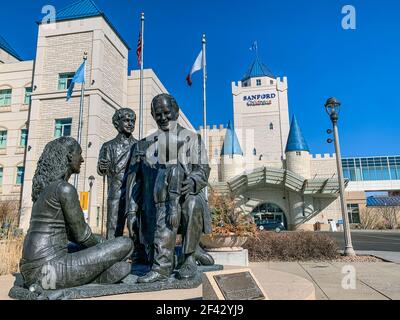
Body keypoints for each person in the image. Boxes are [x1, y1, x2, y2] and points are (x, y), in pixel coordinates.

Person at [20, 137, 133, 290]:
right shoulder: (64, 189)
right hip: (49, 271)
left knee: (119, 266)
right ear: (69, 156)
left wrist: (102, 246)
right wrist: (109, 247)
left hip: (30, 269)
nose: (82, 159)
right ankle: (96, 276)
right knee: (125, 244)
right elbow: (82, 236)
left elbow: (72, 236)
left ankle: (98, 276)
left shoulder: (44, 190)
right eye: (79, 154)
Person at [126, 94, 213, 283]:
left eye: (167, 112)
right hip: (153, 204)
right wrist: (131, 211)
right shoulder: (143, 145)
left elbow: (202, 169)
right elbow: (135, 182)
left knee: (192, 202)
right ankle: (169, 258)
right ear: (153, 116)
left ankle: (188, 257)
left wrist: (192, 182)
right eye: (158, 114)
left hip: (184, 196)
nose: (163, 117)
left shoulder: (192, 139)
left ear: (176, 112)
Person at [97, 108, 137, 240]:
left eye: (132, 121)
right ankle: (112, 254)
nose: (130, 124)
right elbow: (102, 170)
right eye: (126, 120)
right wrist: (101, 167)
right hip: (116, 190)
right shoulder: (108, 146)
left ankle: (137, 253)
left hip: (135, 191)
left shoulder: (139, 146)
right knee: (113, 226)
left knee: (136, 225)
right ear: (116, 123)